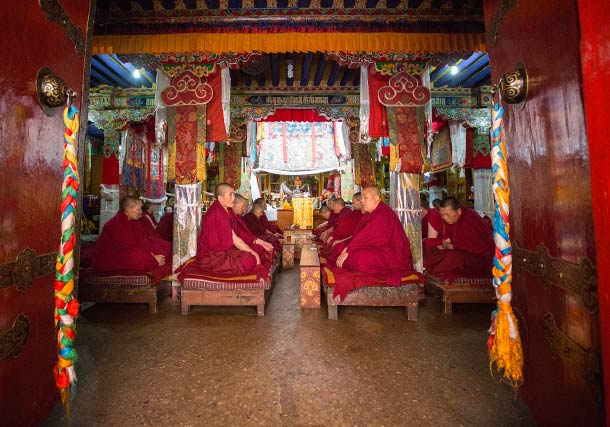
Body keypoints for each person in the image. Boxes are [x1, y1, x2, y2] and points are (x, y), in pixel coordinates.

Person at [335, 186, 416, 283]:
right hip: (378, 248)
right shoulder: (370, 214)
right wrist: (347, 248)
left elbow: (367, 237)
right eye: (362, 198)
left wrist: (348, 250)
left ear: (377, 198)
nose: (362, 201)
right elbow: (360, 236)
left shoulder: (383, 214)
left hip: (394, 255)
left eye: (365, 198)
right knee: (340, 248)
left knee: (359, 259)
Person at [182, 183, 266, 276]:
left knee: (257, 250)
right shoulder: (216, 213)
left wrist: (257, 245)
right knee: (250, 260)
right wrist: (254, 254)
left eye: (233, 194)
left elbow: (237, 234)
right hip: (212, 256)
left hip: (225, 250)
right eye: (230, 194)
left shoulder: (227, 211)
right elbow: (234, 239)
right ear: (220, 198)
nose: (233, 198)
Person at [92, 195, 172, 279]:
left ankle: (154, 260)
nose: (141, 212)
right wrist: (152, 258)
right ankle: (154, 261)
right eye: (138, 209)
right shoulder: (115, 224)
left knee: (165, 246)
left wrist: (152, 254)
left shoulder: (135, 222)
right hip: (113, 257)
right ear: (128, 209)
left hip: (132, 252)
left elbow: (143, 242)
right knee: (135, 257)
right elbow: (125, 250)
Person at [423, 196, 494, 278]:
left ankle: (434, 272)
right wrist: (447, 245)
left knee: (454, 258)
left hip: (480, 256)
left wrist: (450, 245)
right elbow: (450, 240)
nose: (445, 218)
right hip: (459, 249)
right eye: (442, 215)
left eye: (448, 215)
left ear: (459, 211)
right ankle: (431, 270)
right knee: (430, 249)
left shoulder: (469, 219)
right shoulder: (453, 220)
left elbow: (475, 245)